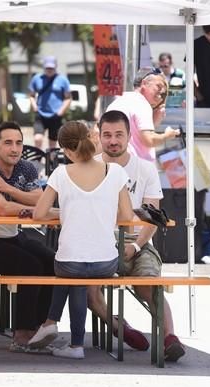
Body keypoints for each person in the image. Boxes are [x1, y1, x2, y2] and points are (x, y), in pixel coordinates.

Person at [28, 121, 135, 359]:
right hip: (106, 261)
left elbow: (38, 214)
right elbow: (127, 216)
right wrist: (101, 212)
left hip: (69, 262)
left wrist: (66, 211)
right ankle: (69, 340)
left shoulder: (60, 173)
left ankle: (58, 329)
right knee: (78, 277)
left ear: (65, 150)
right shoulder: (115, 171)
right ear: (91, 139)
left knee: (73, 273)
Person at [88, 110, 186, 362]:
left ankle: (169, 337)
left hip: (138, 243)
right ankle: (121, 328)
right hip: (99, 243)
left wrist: (136, 246)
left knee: (149, 286)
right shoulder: (88, 168)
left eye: (119, 134)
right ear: (99, 136)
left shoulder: (145, 168)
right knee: (89, 292)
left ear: (130, 136)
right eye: (107, 135)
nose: (113, 140)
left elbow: (154, 217)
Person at [0, 121, 55, 351]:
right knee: (30, 265)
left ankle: (41, 328)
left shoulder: (27, 168)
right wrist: (32, 207)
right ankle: (22, 333)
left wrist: (8, 188)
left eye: (19, 143)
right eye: (8, 143)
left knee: (52, 261)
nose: (15, 148)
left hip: (13, 235)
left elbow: (41, 198)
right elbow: (1, 208)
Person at [106, 67, 180, 162]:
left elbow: (135, 137)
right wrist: (167, 136)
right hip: (135, 169)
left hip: (117, 166)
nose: (161, 93)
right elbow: (148, 140)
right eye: (159, 86)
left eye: (164, 94)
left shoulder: (118, 101)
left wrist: (153, 122)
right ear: (144, 83)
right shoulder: (141, 103)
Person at [28, 55, 72, 149]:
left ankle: (51, 162)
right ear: (44, 67)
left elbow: (68, 98)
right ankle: (37, 161)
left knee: (52, 143)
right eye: (47, 67)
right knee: (37, 139)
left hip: (55, 115)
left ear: (55, 67)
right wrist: (34, 106)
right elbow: (31, 95)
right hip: (40, 114)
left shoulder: (62, 80)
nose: (49, 70)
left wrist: (61, 111)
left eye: (51, 67)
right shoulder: (37, 78)